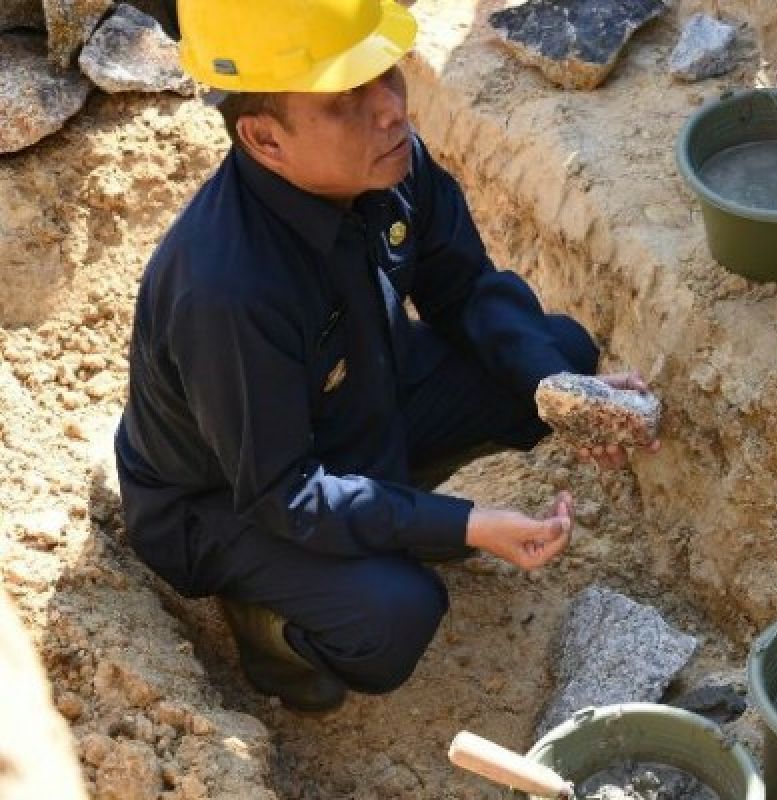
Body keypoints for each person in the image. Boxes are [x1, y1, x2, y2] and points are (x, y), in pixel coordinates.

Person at [114, 0, 659, 713]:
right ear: (264, 138)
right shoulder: (229, 289)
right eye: (345, 100)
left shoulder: (388, 165)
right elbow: (285, 492)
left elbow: (465, 289)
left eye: (386, 75)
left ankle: (387, 508)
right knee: (394, 613)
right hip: (228, 502)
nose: (390, 110)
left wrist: (556, 388)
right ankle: (269, 627)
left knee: (555, 350)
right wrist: (465, 523)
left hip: (357, 404)